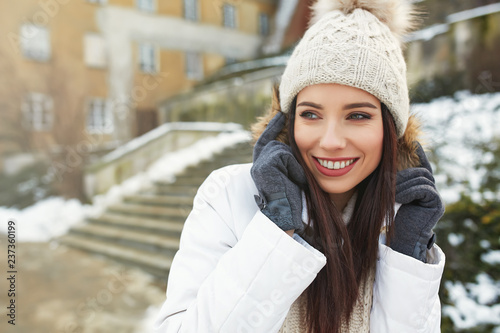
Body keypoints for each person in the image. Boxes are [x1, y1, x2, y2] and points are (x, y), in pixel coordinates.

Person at [154, 0, 446, 332]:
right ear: (287, 121)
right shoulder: (229, 197)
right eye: (310, 114)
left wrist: (406, 256)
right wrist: (275, 231)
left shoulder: (399, 221)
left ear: (391, 129)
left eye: (358, 115)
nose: (331, 140)